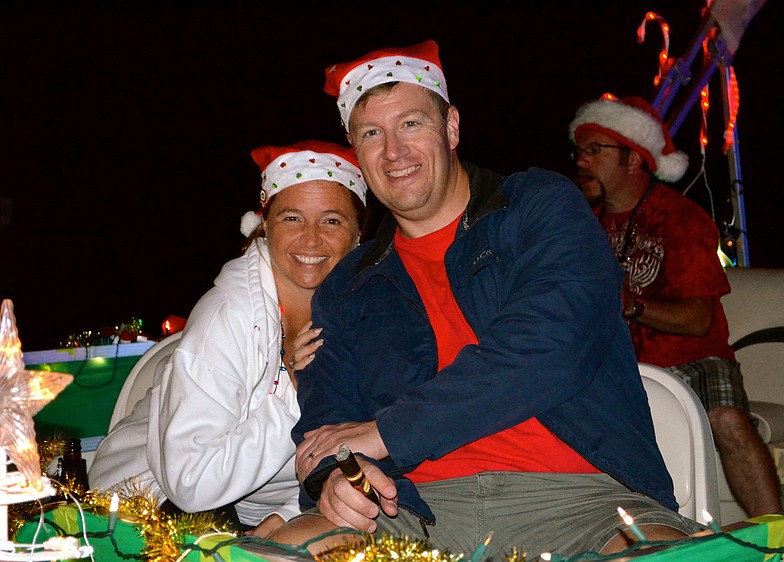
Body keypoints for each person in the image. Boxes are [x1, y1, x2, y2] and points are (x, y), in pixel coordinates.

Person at [270, 40, 703, 556]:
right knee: (277, 552)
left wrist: (387, 433)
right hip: (413, 510)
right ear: (357, 153)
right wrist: (338, 478)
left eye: (411, 124)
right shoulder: (348, 284)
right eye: (371, 134)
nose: (394, 152)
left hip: (585, 506)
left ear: (451, 127)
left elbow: (553, 346)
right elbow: (327, 416)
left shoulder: (537, 208)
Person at [88, 140, 366, 534]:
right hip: (143, 501)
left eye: (332, 220)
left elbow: (354, 446)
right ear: (264, 225)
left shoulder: (367, 317)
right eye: (292, 218)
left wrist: (285, 514)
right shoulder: (228, 316)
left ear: (358, 235)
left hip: (255, 510)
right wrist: (291, 386)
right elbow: (191, 485)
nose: (310, 238)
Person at [568, 95, 782, 518]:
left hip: (693, 358)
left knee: (728, 421)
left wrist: (633, 306)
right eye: (579, 151)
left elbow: (699, 319)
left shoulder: (682, 219)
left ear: (634, 160)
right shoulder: (577, 221)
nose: (581, 161)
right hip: (614, 363)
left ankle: (778, 537)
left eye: (594, 150)